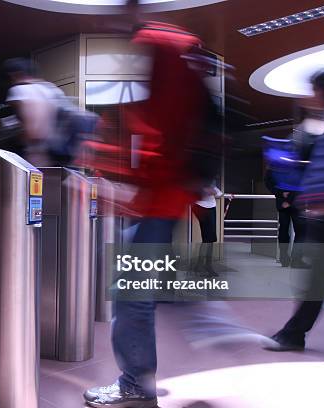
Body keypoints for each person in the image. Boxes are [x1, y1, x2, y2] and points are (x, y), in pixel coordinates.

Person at [83, 19, 215, 408]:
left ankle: (136, 384)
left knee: (131, 293)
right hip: (159, 199)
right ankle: (137, 379)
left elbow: (163, 139)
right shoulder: (174, 49)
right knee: (130, 290)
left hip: (160, 199)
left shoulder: (163, 47)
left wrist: (125, 178)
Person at [263, 71, 324, 351]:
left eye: (312, 91)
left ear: (323, 91)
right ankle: (295, 333)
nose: (308, 97)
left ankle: (294, 334)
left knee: (320, 272)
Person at [2, 57, 65, 167]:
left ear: (16, 74)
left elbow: (31, 127)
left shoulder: (19, 91)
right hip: (54, 149)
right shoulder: (50, 89)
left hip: (33, 149)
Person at [192, 183, 223, 277]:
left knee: (209, 238)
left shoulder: (206, 176)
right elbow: (217, 193)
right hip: (204, 206)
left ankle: (201, 265)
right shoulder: (202, 176)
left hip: (206, 206)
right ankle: (206, 265)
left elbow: (217, 193)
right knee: (208, 238)